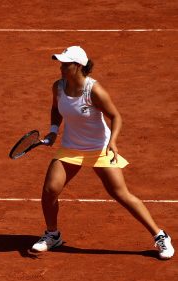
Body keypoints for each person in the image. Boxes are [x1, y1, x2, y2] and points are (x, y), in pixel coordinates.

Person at [32, 45, 173, 260]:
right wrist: (52, 131)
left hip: (99, 148)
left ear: (78, 66)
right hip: (71, 147)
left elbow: (116, 117)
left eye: (66, 64)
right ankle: (53, 235)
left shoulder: (94, 90)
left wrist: (113, 142)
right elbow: (55, 109)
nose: (61, 67)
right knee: (50, 189)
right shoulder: (58, 87)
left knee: (120, 193)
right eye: (60, 63)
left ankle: (160, 235)